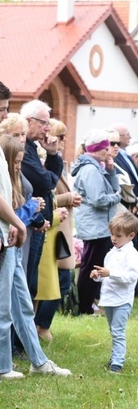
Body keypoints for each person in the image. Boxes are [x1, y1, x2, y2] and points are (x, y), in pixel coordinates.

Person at [0, 134, 71, 378]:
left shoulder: (15, 179)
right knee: (2, 306)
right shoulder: (1, 181)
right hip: (6, 245)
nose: (19, 166)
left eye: (21, 161)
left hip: (16, 247)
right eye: (16, 162)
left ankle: (38, 361)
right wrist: (30, 210)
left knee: (23, 305)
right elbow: (10, 211)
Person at [35, 119, 81, 340]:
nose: (63, 142)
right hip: (51, 230)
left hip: (59, 230)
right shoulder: (44, 163)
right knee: (57, 281)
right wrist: (68, 198)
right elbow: (47, 197)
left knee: (61, 280)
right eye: (61, 137)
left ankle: (41, 325)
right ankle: (40, 326)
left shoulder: (56, 162)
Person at [72, 129, 122, 316]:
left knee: (94, 264)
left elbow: (113, 187)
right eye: (106, 148)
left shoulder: (97, 167)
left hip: (99, 225)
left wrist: (111, 170)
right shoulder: (90, 170)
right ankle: (84, 307)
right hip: (94, 225)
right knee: (90, 267)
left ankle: (88, 304)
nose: (109, 152)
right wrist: (117, 198)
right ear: (98, 149)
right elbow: (98, 199)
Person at [20, 100, 63, 298]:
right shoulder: (24, 149)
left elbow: (47, 181)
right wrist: (51, 174)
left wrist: (53, 154)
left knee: (31, 283)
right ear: (29, 121)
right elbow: (44, 182)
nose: (48, 128)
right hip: (29, 222)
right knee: (25, 283)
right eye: (44, 123)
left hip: (38, 220)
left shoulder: (32, 147)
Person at [91, 211, 138, 373]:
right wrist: (98, 276)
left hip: (122, 300)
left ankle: (117, 363)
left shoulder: (132, 254)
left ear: (131, 235)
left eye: (118, 235)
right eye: (112, 234)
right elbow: (107, 277)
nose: (114, 238)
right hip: (110, 299)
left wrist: (110, 273)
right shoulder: (111, 253)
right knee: (113, 331)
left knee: (118, 331)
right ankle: (114, 357)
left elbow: (131, 277)